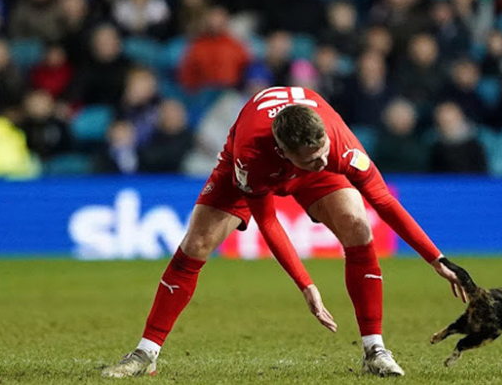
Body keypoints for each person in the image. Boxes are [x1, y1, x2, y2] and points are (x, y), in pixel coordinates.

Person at [102, 86, 465, 378]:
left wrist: (437, 258)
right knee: (196, 243)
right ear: (284, 152)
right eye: (310, 159)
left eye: (323, 151)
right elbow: (269, 222)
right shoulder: (252, 158)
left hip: (304, 153)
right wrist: (306, 285)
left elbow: (384, 201)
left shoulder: (335, 144)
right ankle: (145, 353)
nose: (322, 162)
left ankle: (375, 350)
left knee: (357, 223)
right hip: (242, 168)